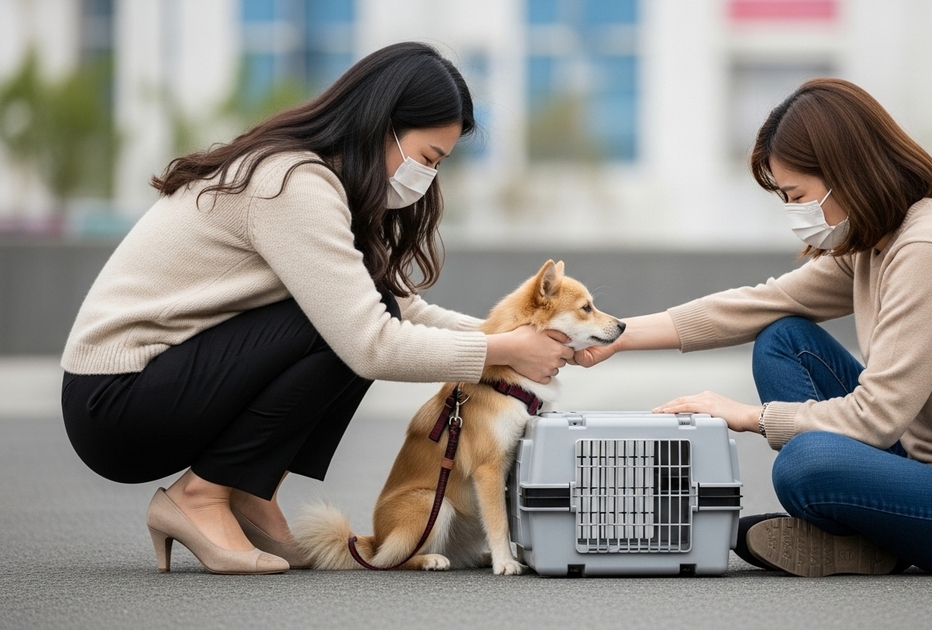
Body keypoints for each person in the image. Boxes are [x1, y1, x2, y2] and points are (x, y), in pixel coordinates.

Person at [60, 42, 574, 575]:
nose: (427, 180)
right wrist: (507, 347)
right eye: (427, 160)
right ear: (384, 125)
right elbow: (372, 344)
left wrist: (531, 337)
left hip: (163, 385)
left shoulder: (329, 187)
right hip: (115, 400)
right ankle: (199, 497)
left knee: (365, 312)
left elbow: (408, 312)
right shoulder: (293, 183)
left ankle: (246, 490)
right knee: (351, 328)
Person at [575, 78, 932, 576]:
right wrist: (613, 338)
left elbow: (876, 417)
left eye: (798, 195)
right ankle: (870, 545)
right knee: (783, 339)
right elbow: (763, 303)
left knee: (804, 466)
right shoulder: (876, 243)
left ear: (846, 171)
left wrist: (750, 416)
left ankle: (869, 541)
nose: (795, 213)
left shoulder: (931, 249)